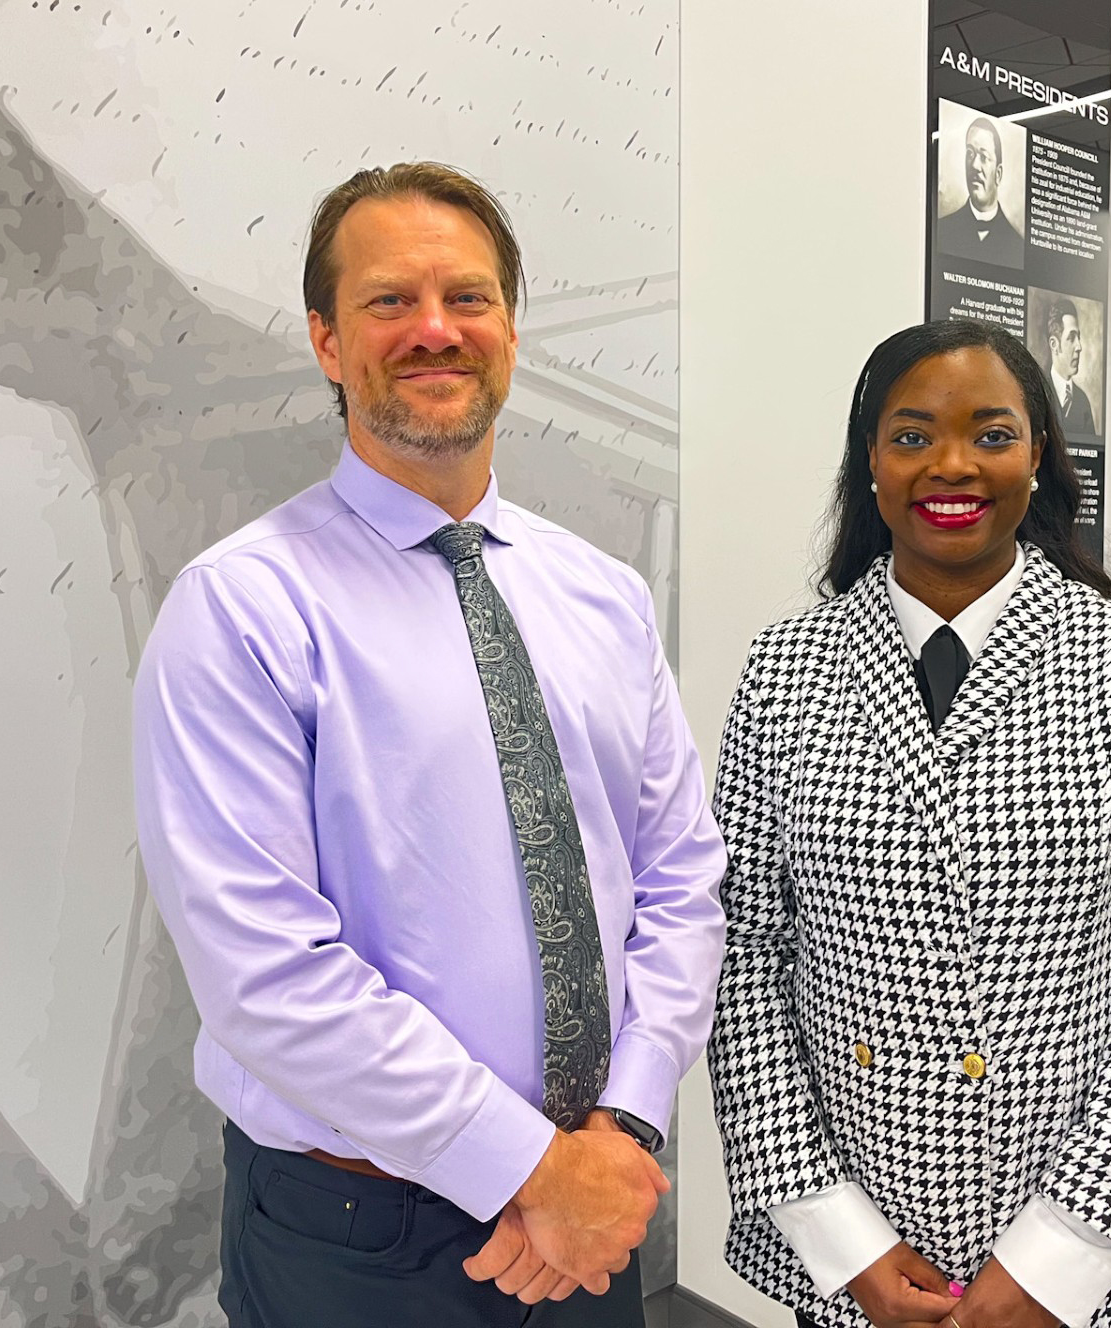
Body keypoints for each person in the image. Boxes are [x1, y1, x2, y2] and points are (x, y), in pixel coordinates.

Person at [132, 162, 728, 1327]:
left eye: (469, 296)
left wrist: (621, 1132)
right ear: (325, 338)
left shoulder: (602, 594)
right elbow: (266, 970)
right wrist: (524, 1165)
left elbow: (680, 878)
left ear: (510, 327)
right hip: (358, 1237)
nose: (436, 329)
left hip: (594, 1204)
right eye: (390, 301)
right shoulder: (244, 606)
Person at [706, 319, 1111, 1328]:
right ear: (870, 462)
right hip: (871, 1252)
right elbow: (744, 967)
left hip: (1105, 1254)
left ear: (1039, 455)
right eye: (912, 436)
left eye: (991, 433)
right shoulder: (784, 671)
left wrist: (1057, 1256)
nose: (952, 464)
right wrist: (840, 1235)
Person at [936, 117, 1026, 269]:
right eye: (970, 153)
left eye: (983, 157)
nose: (974, 165)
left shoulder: (1018, 247)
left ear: (998, 174)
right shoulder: (942, 231)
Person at [1044, 298, 1098, 439]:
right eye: (1071, 337)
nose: (1079, 347)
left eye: (1078, 337)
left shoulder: (1082, 401)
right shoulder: (1038, 392)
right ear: (1054, 344)